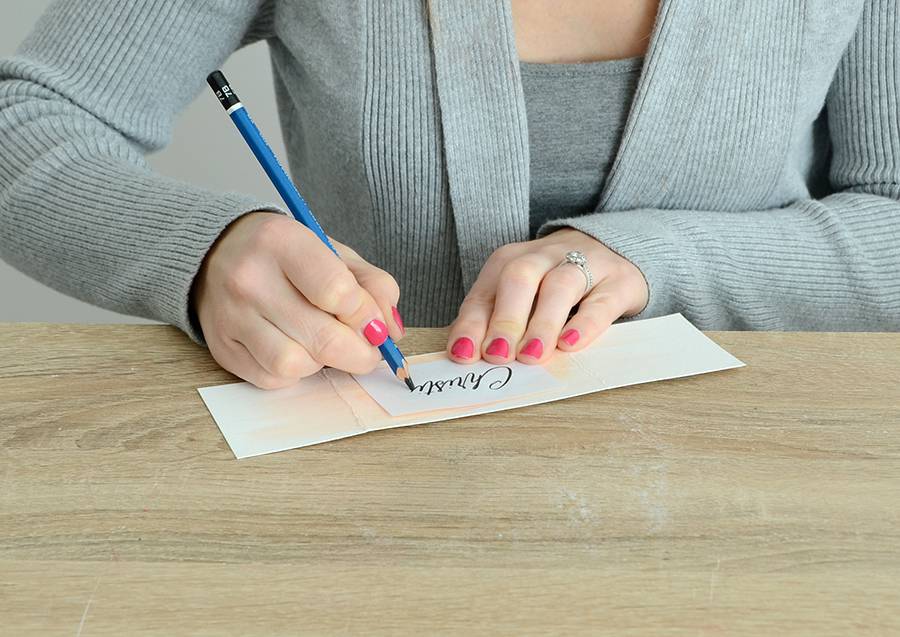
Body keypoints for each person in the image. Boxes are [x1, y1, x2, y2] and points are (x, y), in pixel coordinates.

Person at [0, 0, 897, 390]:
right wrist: (199, 250)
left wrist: (652, 262)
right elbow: (22, 116)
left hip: (772, 499)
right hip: (380, 509)